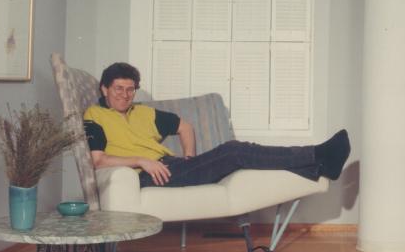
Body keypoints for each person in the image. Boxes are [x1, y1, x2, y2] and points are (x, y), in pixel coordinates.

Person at [84, 62, 350, 189]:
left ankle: (318, 165)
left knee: (238, 154)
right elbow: (98, 160)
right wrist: (142, 161)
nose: (124, 95)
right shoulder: (94, 115)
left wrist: (188, 157)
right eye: (118, 88)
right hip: (150, 176)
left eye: (130, 90)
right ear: (104, 88)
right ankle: (317, 155)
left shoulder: (144, 112)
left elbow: (185, 127)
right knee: (235, 151)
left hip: (174, 166)